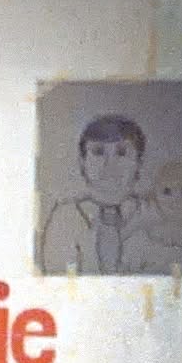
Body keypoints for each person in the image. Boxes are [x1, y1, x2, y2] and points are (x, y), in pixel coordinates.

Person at [40, 114, 147, 275]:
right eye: (98, 152)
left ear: (139, 163)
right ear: (83, 162)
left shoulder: (151, 213)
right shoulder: (65, 217)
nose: (110, 164)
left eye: (122, 152)